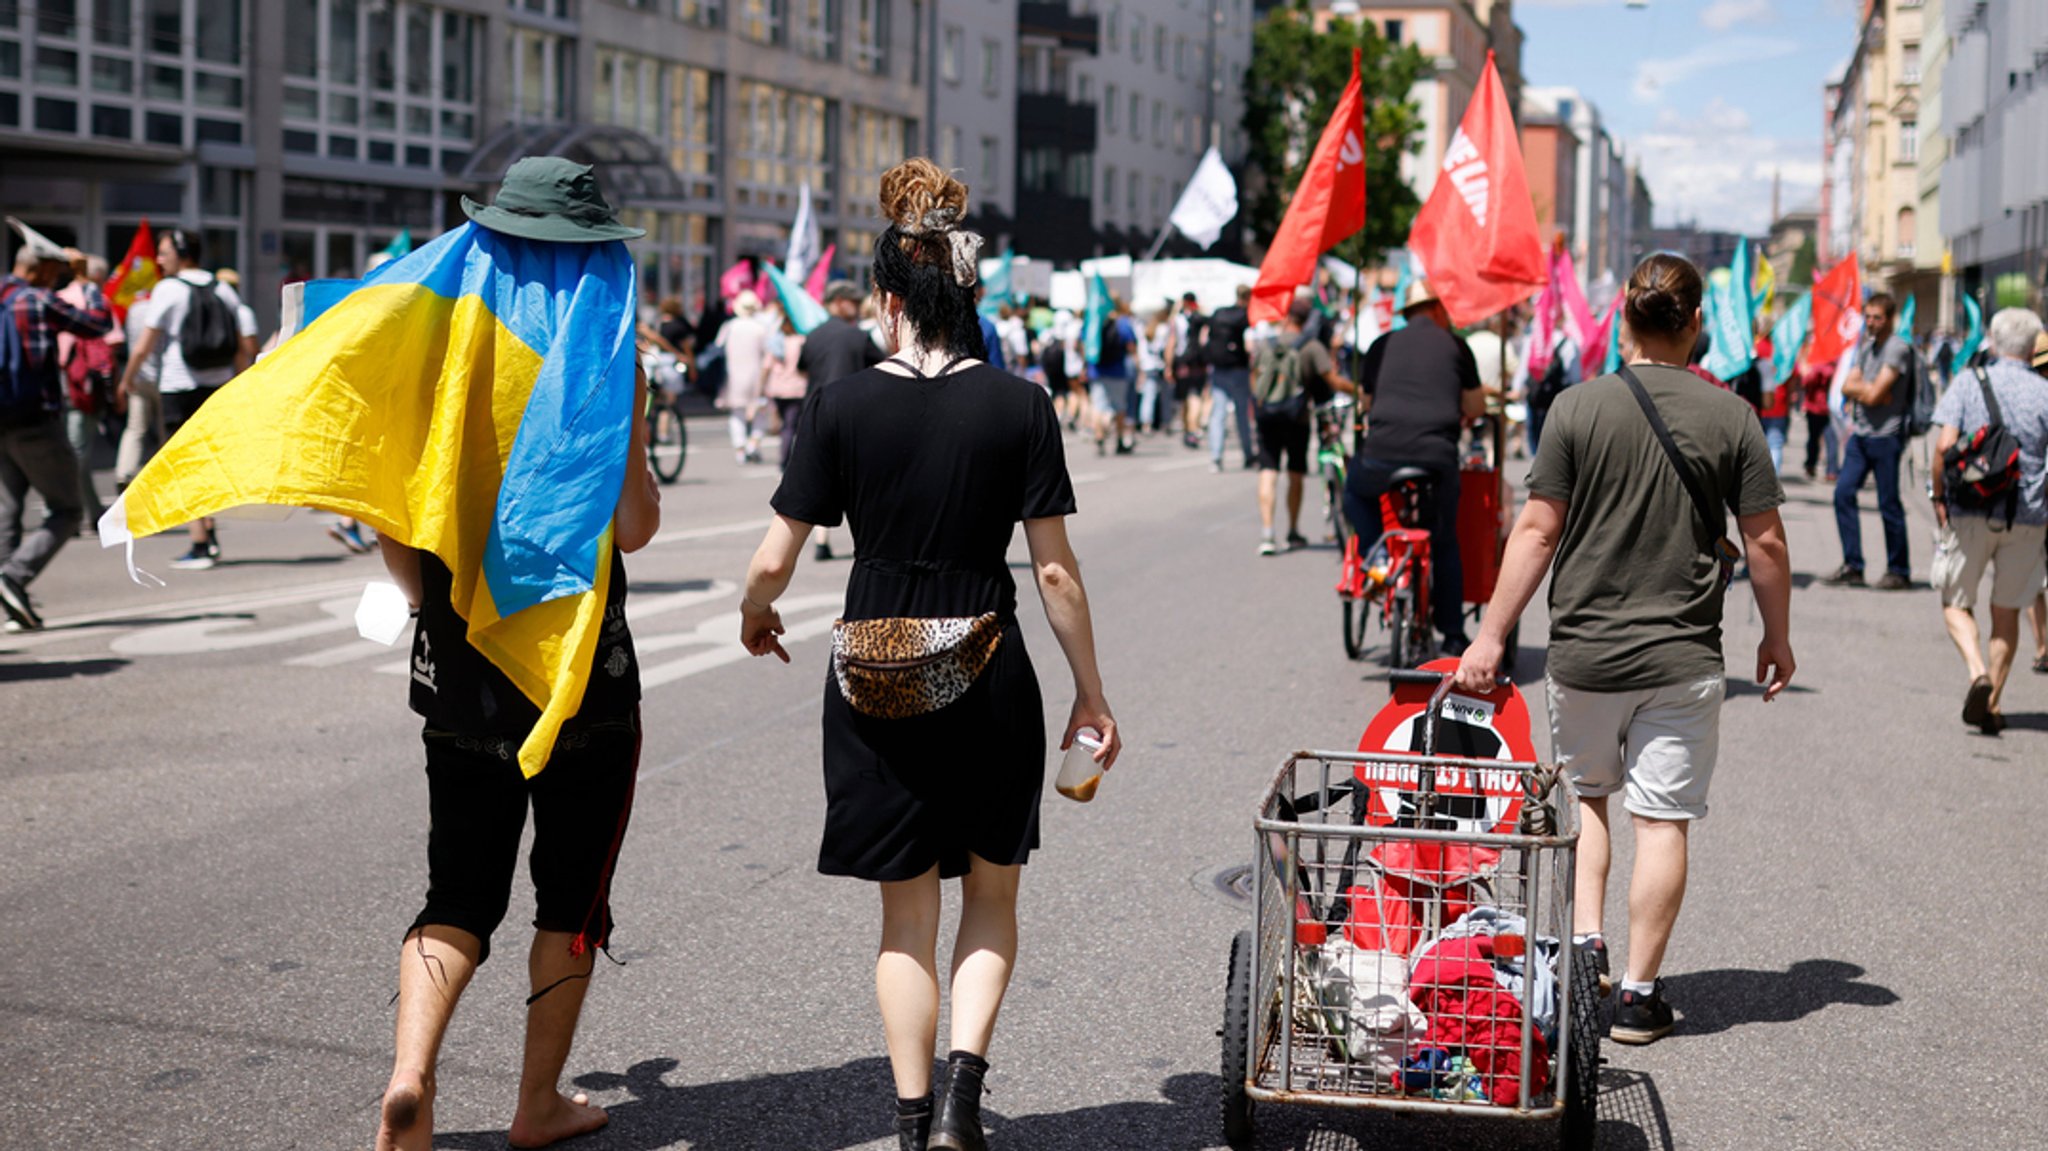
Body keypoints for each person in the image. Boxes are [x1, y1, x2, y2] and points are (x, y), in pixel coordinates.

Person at [740, 158, 1121, 1151]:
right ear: (968, 291)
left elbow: (772, 558)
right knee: (990, 891)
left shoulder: (836, 407)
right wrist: (1090, 690)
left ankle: (911, 1123)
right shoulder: (1021, 405)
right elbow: (1055, 575)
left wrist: (755, 613)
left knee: (902, 916)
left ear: (885, 296)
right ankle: (962, 1099)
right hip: (989, 667)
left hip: (875, 671)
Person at [369, 157, 664, 1151]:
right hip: (582, 668)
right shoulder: (602, 352)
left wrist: (434, 611)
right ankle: (536, 1103)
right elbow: (632, 527)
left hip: (456, 659)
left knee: (457, 890)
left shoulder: (436, 342)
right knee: (569, 895)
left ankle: (411, 1076)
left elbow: (394, 520)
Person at [1454, 252, 1794, 1047]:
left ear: (1622, 319)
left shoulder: (1576, 408)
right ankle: (1638, 997)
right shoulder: (1732, 417)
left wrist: (1492, 631)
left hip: (1586, 653)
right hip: (1682, 657)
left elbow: (1537, 530)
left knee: (1591, 802)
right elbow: (1767, 541)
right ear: (1697, 326)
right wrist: (1776, 636)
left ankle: (1583, 951)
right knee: (1664, 820)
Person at [1341, 280, 1487, 651]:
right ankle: (1453, 634)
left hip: (1381, 455)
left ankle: (1377, 557)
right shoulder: (1456, 345)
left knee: (1354, 492)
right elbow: (1475, 408)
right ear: (1438, 310)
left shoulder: (1381, 345)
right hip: (1436, 458)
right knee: (1444, 540)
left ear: (1407, 314)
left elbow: (1367, 402)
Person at [1928, 308, 2048, 734]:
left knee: (1955, 601)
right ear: (2035, 348)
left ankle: (1977, 670)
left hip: (1971, 511)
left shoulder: (1968, 382)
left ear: (1993, 343)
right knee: (2007, 612)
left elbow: (1943, 447)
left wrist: (1939, 497)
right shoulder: (2044, 391)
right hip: (2028, 516)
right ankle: (1992, 701)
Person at [115, 228, 258, 570]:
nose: (159, 259)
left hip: (179, 386)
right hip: (217, 386)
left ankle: (199, 542)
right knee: (205, 462)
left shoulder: (168, 289)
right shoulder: (222, 288)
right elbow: (243, 343)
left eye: (164, 253)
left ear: (181, 253)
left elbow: (144, 344)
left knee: (183, 465)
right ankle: (207, 534)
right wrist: (240, 383)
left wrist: (126, 379)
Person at [0, 223, 113, 631]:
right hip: (34, 422)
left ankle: (12, 599)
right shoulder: (37, 301)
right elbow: (99, 324)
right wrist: (84, 280)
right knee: (67, 510)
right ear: (43, 269)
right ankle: (14, 577)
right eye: (56, 270)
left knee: (9, 511)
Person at [1253, 296, 1353, 555]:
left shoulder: (1266, 343)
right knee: (1295, 473)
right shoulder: (1310, 347)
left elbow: (1254, 376)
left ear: (1286, 316)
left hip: (1266, 414)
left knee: (1268, 470)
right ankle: (1293, 531)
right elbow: (1331, 380)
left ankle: (1267, 534)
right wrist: (1359, 390)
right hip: (1295, 417)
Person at [1827, 292, 1913, 590]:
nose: (1871, 322)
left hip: (1887, 436)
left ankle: (1898, 569)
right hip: (1860, 435)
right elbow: (1850, 386)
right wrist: (1868, 391)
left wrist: (1867, 391)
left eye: (1877, 317)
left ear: (1890, 319)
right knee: (1842, 493)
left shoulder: (1897, 349)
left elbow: (1877, 394)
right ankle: (1853, 565)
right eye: (1868, 316)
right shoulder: (1866, 347)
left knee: (1888, 503)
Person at [798, 280, 889, 562]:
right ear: (837, 302)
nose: (856, 305)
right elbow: (883, 368)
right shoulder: (858, 338)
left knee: (822, 478)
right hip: (854, 414)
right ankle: (867, 538)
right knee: (857, 481)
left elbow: (802, 370)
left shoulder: (812, 336)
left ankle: (822, 541)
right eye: (851, 300)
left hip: (815, 412)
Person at [56, 252, 118, 532]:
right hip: (83, 385)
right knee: (75, 453)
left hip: (64, 384)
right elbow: (113, 341)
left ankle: (71, 510)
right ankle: (88, 511)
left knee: (73, 452)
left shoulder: (58, 297)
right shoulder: (95, 300)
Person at [715, 289, 770, 464]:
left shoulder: (730, 326)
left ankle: (740, 448)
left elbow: (717, 347)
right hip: (757, 374)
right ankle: (753, 443)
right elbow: (768, 352)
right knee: (760, 411)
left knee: (737, 413)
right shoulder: (761, 328)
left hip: (734, 374)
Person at [1206, 284, 1257, 473]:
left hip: (1219, 370)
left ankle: (1216, 457)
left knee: (1217, 415)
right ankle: (1248, 453)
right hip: (1238, 369)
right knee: (1242, 414)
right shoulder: (1245, 317)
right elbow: (1251, 345)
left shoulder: (1220, 313)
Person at [1090, 298, 1137, 455]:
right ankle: (1119, 440)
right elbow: (1131, 346)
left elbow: (1084, 344)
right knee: (1119, 407)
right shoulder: (1122, 323)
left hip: (1097, 370)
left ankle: (1099, 435)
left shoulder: (1094, 321)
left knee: (1098, 405)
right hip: (1118, 371)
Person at [763, 313, 808, 467]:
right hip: (797, 388)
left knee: (785, 424)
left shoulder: (776, 342)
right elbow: (806, 367)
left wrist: (761, 387)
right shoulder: (801, 341)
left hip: (777, 389)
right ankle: (786, 459)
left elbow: (766, 367)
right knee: (791, 425)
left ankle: (785, 456)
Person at [1168, 291, 1209, 449]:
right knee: (1196, 397)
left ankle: (1190, 430)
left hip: (1182, 363)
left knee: (1186, 398)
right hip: (1199, 362)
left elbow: (1171, 343)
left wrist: (1168, 366)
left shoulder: (1177, 320)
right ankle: (1193, 429)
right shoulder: (1202, 319)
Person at [1798, 359, 1838, 481]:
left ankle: (1811, 465)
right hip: (1826, 408)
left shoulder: (1817, 367)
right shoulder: (1835, 367)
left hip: (1815, 408)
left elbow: (1806, 383)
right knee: (1830, 440)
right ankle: (1831, 470)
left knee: (1814, 438)